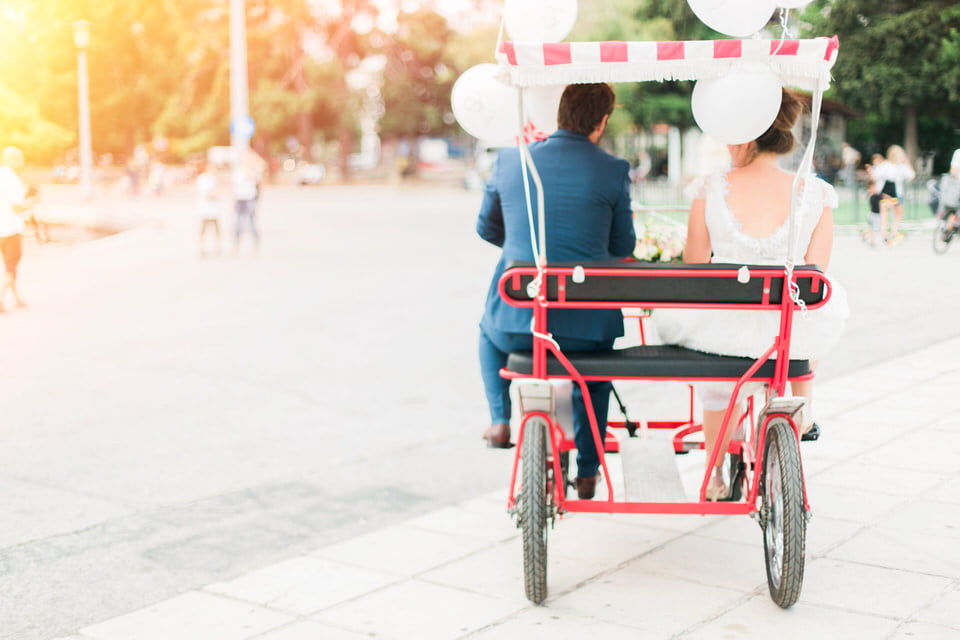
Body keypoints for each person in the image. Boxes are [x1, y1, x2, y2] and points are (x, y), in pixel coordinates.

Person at [655, 89, 848, 500]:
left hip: (722, 327)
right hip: (785, 332)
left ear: (745, 138)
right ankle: (803, 406)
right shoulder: (815, 194)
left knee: (716, 380)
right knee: (810, 317)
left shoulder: (709, 189)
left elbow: (694, 266)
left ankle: (716, 475)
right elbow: (817, 275)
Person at [476, 83, 636, 500]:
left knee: (486, 333)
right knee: (594, 378)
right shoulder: (614, 169)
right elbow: (623, 248)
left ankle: (499, 419)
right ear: (602, 122)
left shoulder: (511, 160)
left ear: (560, 114)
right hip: (585, 327)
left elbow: (486, 228)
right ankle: (587, 471)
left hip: (517, 320)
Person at [0, 146, 28, 312]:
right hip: (11, 229)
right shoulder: (13, 179)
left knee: (8, 265)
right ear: (14, 160)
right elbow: (17, 208)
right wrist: (33, 201)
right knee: (12, 266)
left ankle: (17, 298)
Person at [871, 145, 915, 246]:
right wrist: (907, 162)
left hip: (885, 194)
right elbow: (911, 176)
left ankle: (884, 234)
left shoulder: (884, 165)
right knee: (898, 215)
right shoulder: (901, 167)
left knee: (884, 214)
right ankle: (894, 233)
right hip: (897, 195)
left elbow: (875, 176)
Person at [232, 148, 266, 255]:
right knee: (237, 225)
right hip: (239, 198)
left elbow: (261, 176)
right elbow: (234, 187)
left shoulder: (255, 170)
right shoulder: (238, 170)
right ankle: (236, 247)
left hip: (250, 198)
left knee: (252, 224)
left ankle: (255, 247)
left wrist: (253, 163)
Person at [195, 161, 223, 257]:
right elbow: (208, 194)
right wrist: (217, 196)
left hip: (214, 209)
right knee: (204, 230)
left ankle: (217, 248)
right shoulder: (203, 179)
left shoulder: (214, 179)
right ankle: (202, 248)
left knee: (217, 230)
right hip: (205, 209)